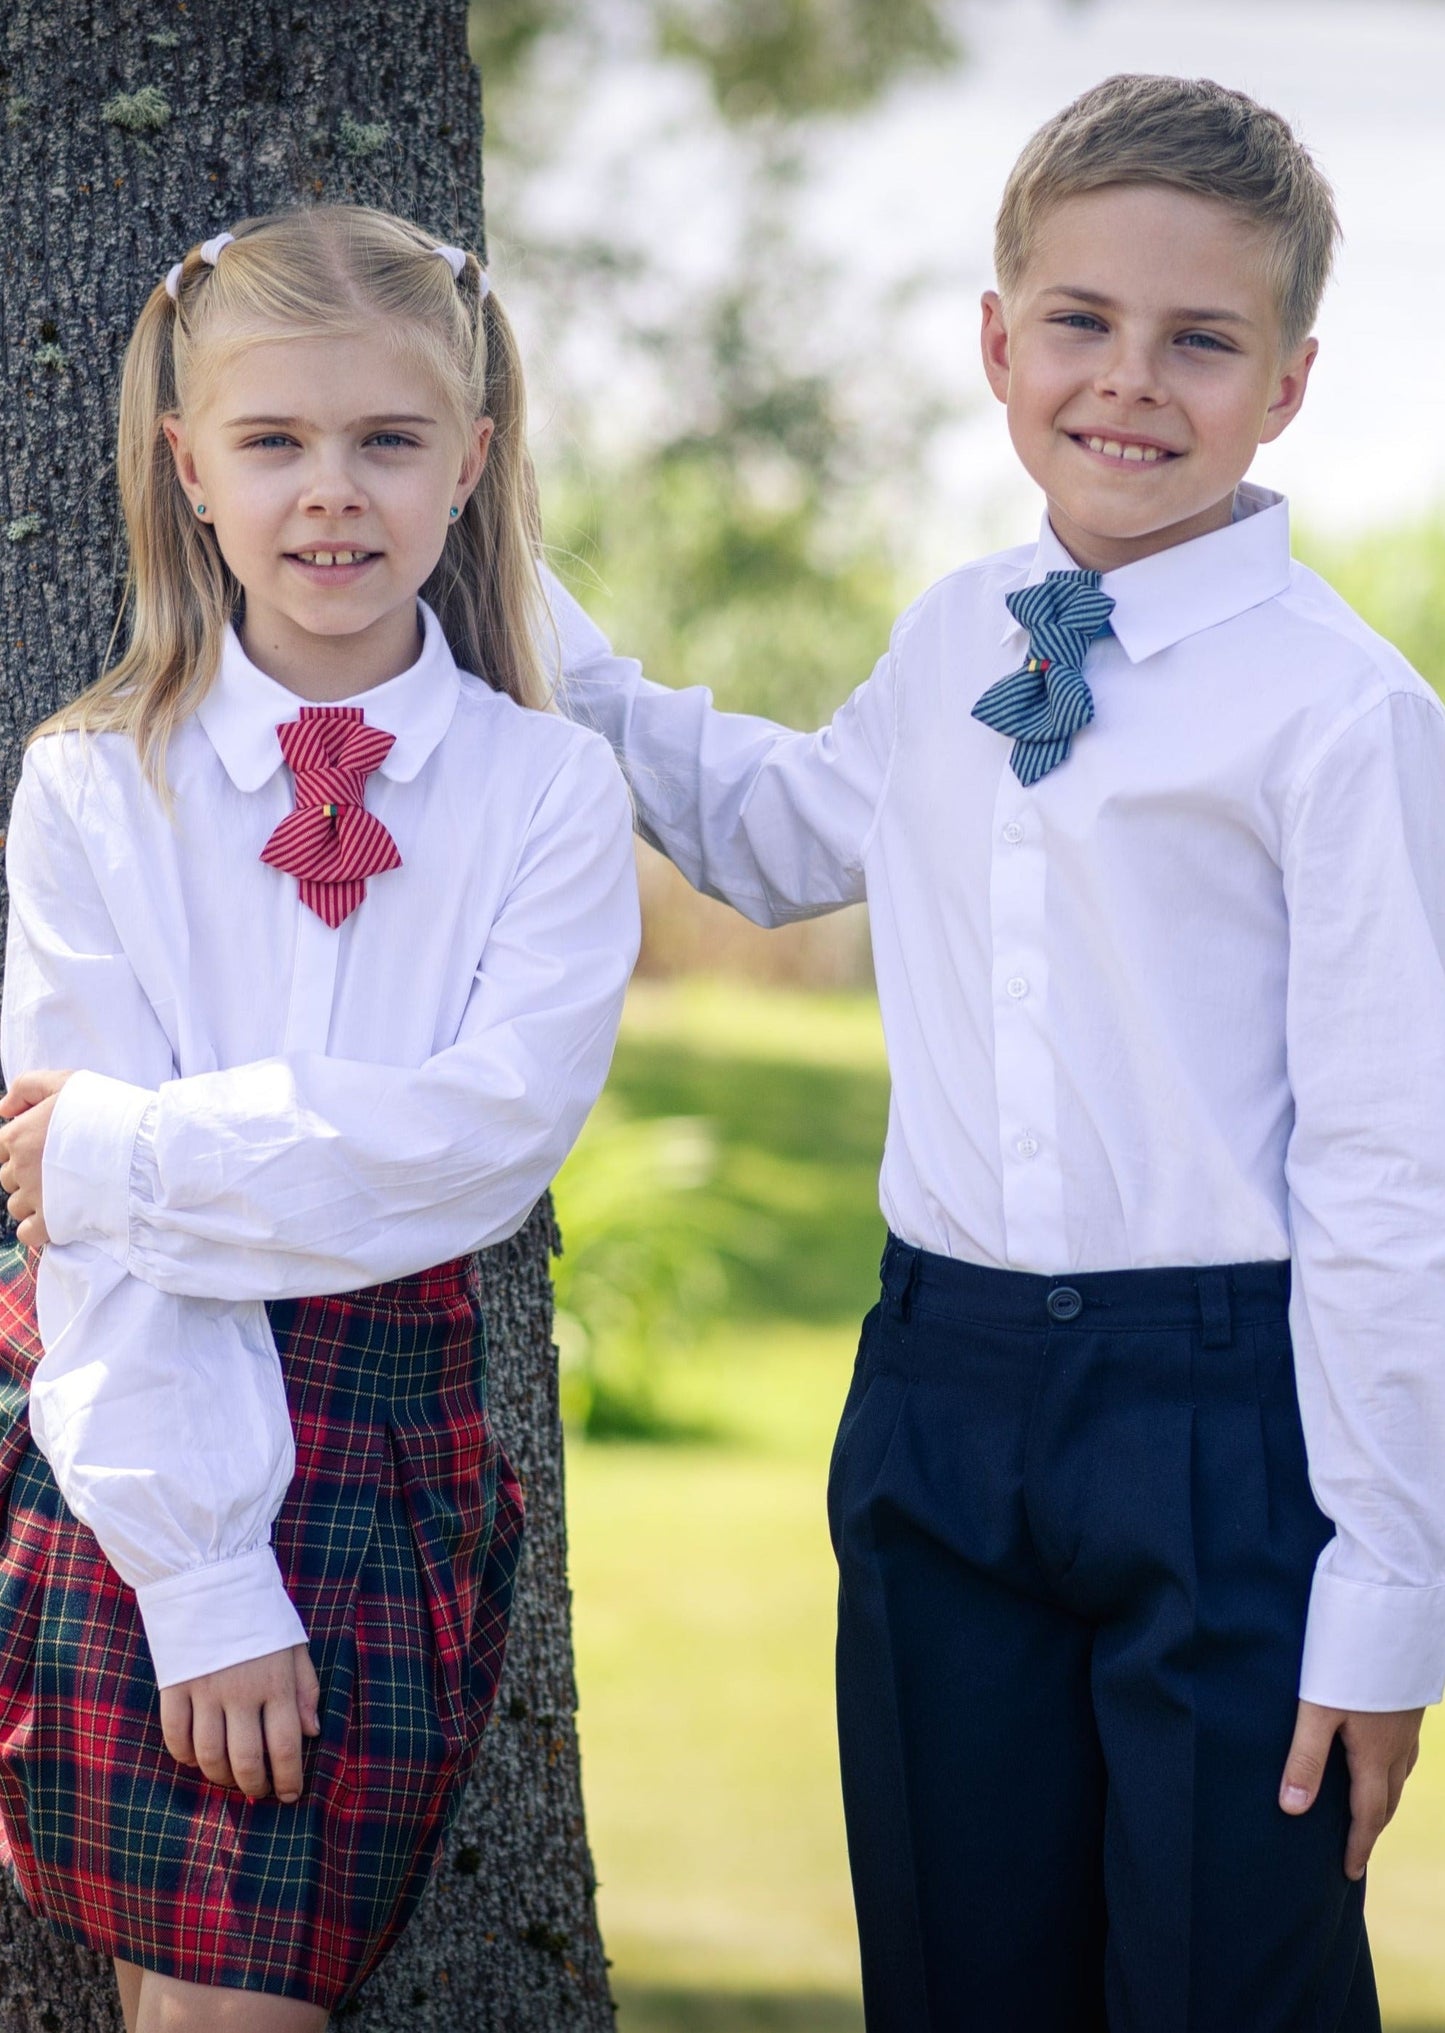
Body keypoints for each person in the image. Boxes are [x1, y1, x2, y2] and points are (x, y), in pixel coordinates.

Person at [549, 72, 1445, 2032]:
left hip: (1226, 1431)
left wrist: (1388, 1601)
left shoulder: (1340, 716)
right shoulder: (959, 626)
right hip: (938, 1401)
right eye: (1082, 322)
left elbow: (1393, 1172)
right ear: (996, 340)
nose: (1130, 381)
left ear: (1287, 381)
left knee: (1231, 1987)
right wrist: (538, 624)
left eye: (1201, 338)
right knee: (960, 1983)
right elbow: (783, 835)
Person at [0, 205, 638, 2031]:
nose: (330, 494)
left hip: (384, 1444)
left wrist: (133, 1153)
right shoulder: (91, 787)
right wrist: (202, 1578)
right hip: (136, 1441)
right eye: (274, 442)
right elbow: (95, 1256)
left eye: (387, 440)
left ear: (473, 464)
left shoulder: (544, 793)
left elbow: (481, 1141)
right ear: (187, 466)